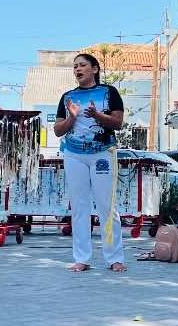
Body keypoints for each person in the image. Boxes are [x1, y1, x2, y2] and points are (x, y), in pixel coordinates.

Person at [53, 53, 127, 273]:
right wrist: (72, 118)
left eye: (82, 65)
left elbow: (118, 122)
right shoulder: (68, 97)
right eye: (75, 66)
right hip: (74, 154)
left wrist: (97, 115)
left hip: (103, 153)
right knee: (79, 207)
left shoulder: (108, 92)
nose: (78, 69)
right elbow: (58, 130)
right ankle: (82, 258)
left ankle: (115, 257)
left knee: (107, 206)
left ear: (94, 69)